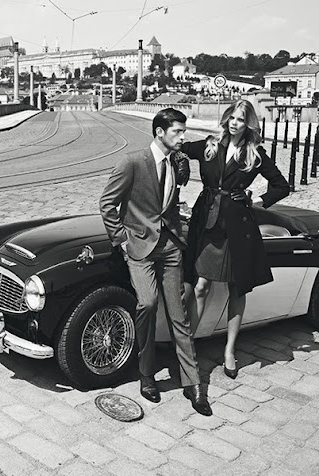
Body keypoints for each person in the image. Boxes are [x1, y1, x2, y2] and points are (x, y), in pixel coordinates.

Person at [99, 107, 212, 416]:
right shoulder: (132, 162)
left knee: (179, 315)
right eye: (178, 131)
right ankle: (146, 374)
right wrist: (122, 240)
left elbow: (169, 205)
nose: (183, 137)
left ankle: (193, 383)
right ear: (160, 132)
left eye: (183, 131)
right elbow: (107, 203)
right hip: (139, 247)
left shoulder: (176, 162)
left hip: (170, 247)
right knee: (147, 303)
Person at [180, 99, 290, 379]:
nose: (234, 123)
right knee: (201, 285)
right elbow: (177, 148)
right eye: (232, 117)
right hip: (207, 224)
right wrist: (179, 165)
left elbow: (282, 186)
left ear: (248, 124)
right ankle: (188, 348)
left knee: (237, 290)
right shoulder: (209, 145)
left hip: (238, 228)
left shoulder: (255, 154)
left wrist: (256, 199)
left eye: (241, 119)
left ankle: (229, 350)